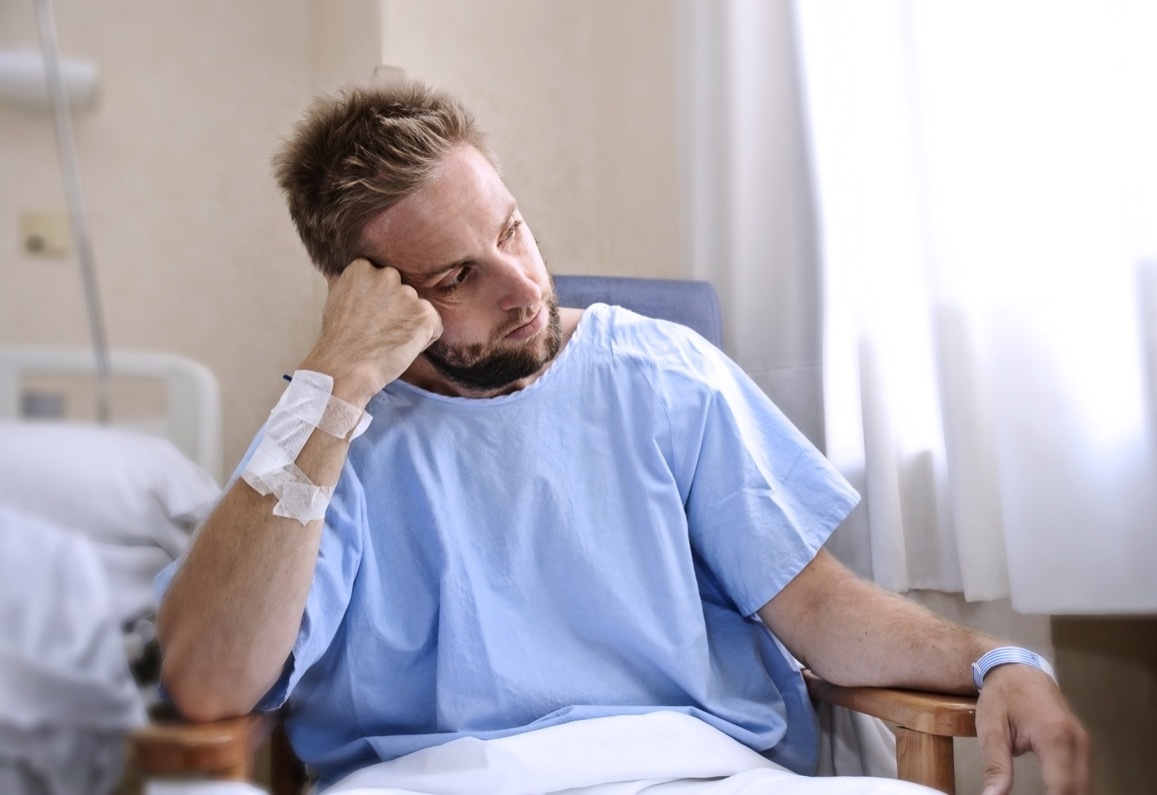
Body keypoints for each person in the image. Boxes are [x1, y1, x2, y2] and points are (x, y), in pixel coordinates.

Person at [155, 80, 1090, 795]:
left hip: (694, 768)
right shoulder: (322, 441)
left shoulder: (663, 374)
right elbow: (206, 682)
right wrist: (333, 390)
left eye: (512, 230)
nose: (523, 288)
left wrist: (995, 657)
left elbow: (820, 613)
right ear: (373, 294)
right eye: (458, 277)